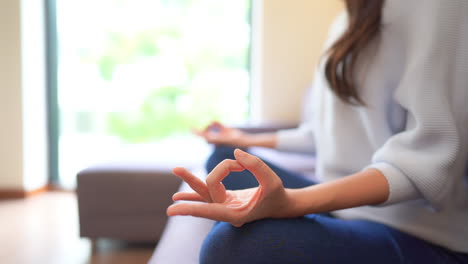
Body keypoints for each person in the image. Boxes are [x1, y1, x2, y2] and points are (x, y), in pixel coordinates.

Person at [167, 0, 468, 263]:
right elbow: (326, 135)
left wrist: (293, 202)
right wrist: (242, 140)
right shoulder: (348, 19)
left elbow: (429, 165)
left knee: (233, 246)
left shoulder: (440, 6)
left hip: (424, 234)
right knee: (223, 159)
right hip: (349, 209)